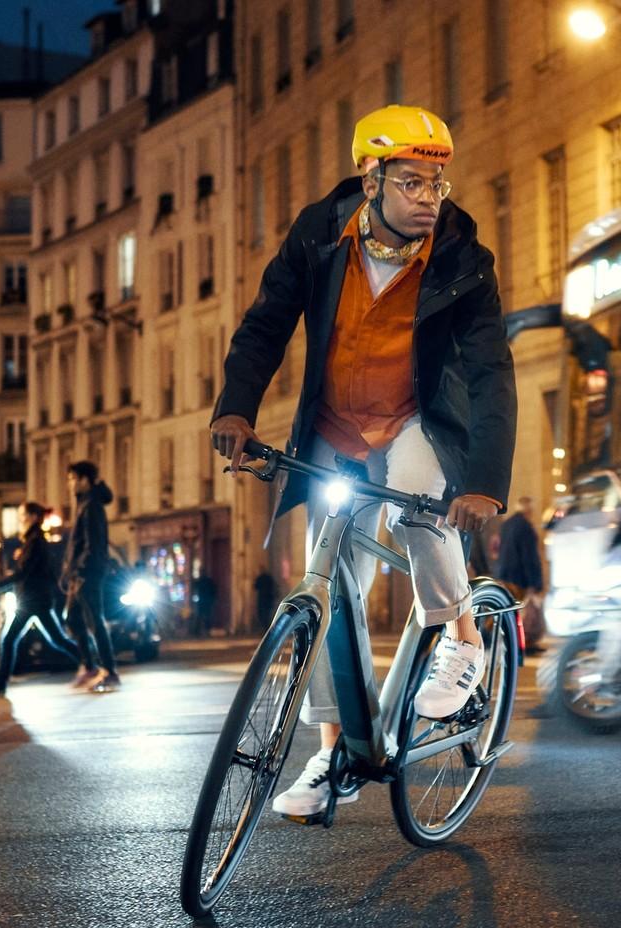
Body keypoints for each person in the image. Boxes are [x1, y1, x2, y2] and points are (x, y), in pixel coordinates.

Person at [211, 104, 516, 818]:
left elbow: (491, 371)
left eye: (437, 184)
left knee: (418, 498)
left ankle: (462, 636)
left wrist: (483, 483)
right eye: (411, 182)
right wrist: (236, 408)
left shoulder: (462, 256)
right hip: (337, 428)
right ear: (370, 179)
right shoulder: (319, 233)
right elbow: (266, 323)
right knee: (328, 586)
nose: (428, 198)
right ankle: (334, 752)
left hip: (417, 419)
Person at [0, 502, 81, 696]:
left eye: (23, 515)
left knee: (10, 640)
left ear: (33, 517)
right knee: (57, 639)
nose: (21, 519)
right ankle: (91, 663)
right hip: (35, 598)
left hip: (32, 599)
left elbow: (23, 572)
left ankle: (0, 684)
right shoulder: (32, 540)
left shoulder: (35, 541)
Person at [62, 460, 121, 693]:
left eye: (72, 479)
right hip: (80, 573)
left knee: (95, 620)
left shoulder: (92, 505)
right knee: (72, 618)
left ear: (84, 480)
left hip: (88, 573)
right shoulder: (84, 503)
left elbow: (93, 544)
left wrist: (81, 569)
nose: (69, 484)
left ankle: (109, 671)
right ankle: (90, 666)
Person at [496, 496, 546, 653]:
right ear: (529, 509)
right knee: (523, 613)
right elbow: (529, 557)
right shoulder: (525, 527)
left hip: (505, 574)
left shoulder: (507, 524)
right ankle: (521, 644)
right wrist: (535, 583)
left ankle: (511, 644)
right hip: (520, 577)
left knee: (510, 611)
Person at [253, 567, 276, 632]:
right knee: (267, 614)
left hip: (262, 598)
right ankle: (267, 627)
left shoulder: (260, 578)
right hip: (269, 598)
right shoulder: (269, 578)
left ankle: (265, 627)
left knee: (262, 614)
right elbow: (273, 587)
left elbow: (255, 586)